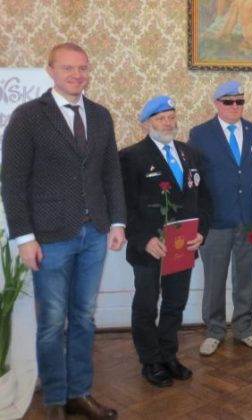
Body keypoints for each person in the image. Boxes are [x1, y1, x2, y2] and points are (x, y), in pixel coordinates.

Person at [1, 42, 125, 419]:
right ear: (51, 71)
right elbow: (13, 181)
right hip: (49, 237)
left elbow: (110, 173)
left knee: (84, 318)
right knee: (52, 322)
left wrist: (117, 222)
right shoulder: (28, 116)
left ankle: (79, 394)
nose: (77, 75)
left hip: (95, 233)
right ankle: (55, 399)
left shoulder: (101, 116)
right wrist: (24, 238)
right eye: (68, 68)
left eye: (82, 68)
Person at [120, 96, 210, 387]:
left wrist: (202, 232)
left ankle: (168, 355)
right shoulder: (131, 157)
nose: (168, 123)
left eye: (171, 117)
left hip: (183, 245)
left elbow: (204, 198)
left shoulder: (190, 154)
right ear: (146, 123)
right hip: (150, 248)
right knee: (146, 305)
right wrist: (142, 239)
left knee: (175, 302)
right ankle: (150, 360)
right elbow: (123, 205)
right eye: (161, 118)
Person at [188, 81, 252, 356]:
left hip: (249, 219)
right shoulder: (200, 134)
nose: (235, 106)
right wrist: (195, 218)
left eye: (240, 101)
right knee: (214, 280)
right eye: (229, 101)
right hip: (215, 221)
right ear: (217, 103)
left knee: (245, 278)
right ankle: (214, 330)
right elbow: (193, 179)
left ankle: (244, 329)